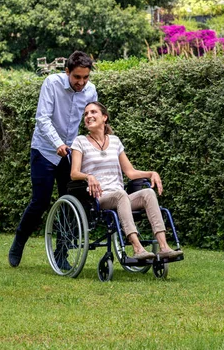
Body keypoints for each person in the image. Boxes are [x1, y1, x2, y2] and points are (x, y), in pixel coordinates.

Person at [9, 51, 97, 268]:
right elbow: (42, 118)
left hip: (71, 153)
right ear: (67, 71)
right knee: (40, 202)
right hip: (45, 150)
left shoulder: (90, 90)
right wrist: (58, 143)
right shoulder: (51, 83)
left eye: (85, 78)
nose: (81, 82)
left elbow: (92, 120)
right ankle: (19, 242)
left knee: (72, 203)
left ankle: (61, 253)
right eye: (77, 77)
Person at [70, 101, 183, 260]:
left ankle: (164, 247)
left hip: (120, 196)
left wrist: (151, 173)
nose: (88, 116)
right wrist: (88, 176)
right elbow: (74, 173)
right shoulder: (80, 141)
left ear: (104, 117)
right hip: (99, 197)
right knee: (120, 195)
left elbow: (130, 172)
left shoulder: (115, 141)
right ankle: (137, 248)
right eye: (86, 114)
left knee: (148, 193)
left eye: (93, 112)